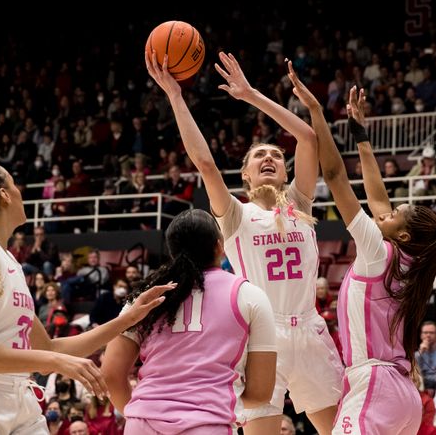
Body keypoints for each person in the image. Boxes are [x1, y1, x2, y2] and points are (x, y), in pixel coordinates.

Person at [145, 51, 343, 434]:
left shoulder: (301, 204)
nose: (269, 157)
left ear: (285, 173)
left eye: (275, 156)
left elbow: (307, 137)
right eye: (259, 156)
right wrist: (175, 96)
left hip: (311, 331)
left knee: (343, 430)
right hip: (263, 336)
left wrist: (251, 95)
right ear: (246, 176)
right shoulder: (235, 215)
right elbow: (205, 163)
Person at [0, 161, 173, 434]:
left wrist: (129, 318)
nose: (20, 192)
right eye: (14, 184)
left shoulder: (10, 261)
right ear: (4, 195)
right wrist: (52, 363)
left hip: (16, 396)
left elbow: (51, 348)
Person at [289, 77, 436, 435]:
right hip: (402, 394)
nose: (384, 213)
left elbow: (333, 175)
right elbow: (377, 198)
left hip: (375, 382)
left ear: (403, 234)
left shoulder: (377, 251)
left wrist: (317, 112)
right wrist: (361, 136)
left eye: (394, 215)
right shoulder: (408, 260)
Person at [102, 209, 277, 434]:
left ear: (172, 251)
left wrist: (138, 414)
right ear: (219, 246)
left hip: (142, 423)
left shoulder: (144, 297)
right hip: (208, 424)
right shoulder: (251, 295)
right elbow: (261, 392)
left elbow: (111, 374)